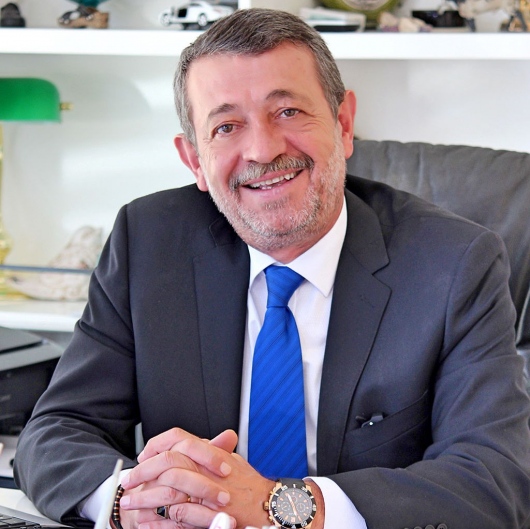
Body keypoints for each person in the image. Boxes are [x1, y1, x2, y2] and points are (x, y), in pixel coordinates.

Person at [14, 7, 530, 529]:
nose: (262, 149)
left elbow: (494, 479)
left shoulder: (454, 263)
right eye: (226, 126)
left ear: (343, 124)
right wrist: (130, 501)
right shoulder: (148, 243)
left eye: (287, 111)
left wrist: (278, 505)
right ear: (194, 160)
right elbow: (57, 429)